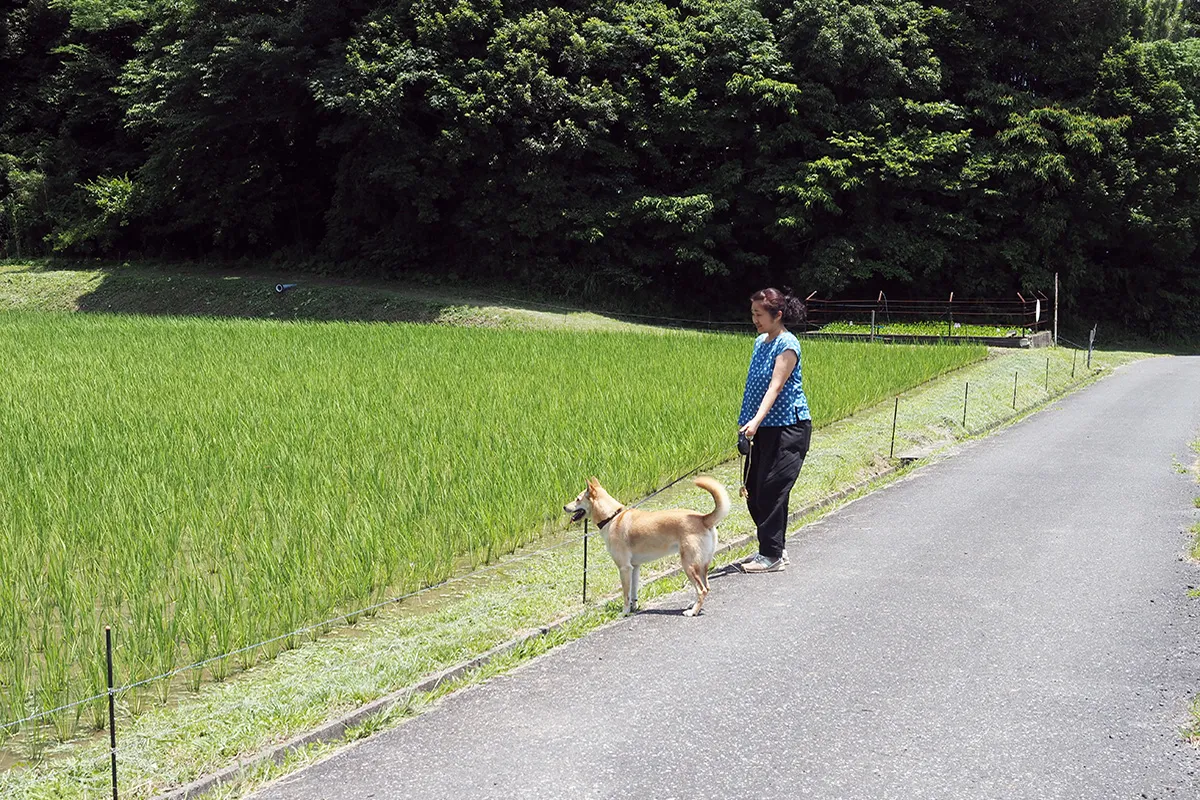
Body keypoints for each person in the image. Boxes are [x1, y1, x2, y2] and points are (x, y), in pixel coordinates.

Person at [737, 287, 812, 573]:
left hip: (789, 427)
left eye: (759, 314)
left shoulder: (788, 344)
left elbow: (775, 387)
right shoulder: (759, 342)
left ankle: (771, 555)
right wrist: (748, 423)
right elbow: (752, 387)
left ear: (777, 315)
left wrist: (755, 421)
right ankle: (774, 549)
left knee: (772, 488)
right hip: (761, 428)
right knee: (754, 491)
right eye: (753, 313)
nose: (754, 319)